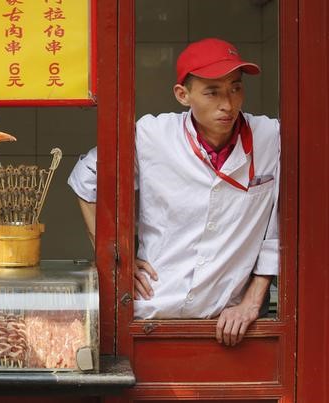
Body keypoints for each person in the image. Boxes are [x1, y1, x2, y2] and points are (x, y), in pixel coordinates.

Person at [68, 38, 279, 347]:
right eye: (212, 92)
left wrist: (251, 301)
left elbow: (283, 228)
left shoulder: (271, 138)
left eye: (235, 88)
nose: (228, 104)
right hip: (153, 312)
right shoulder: (153, 135)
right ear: (183, 95)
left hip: (227, 322)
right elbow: (86, 179)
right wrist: (116, 257)